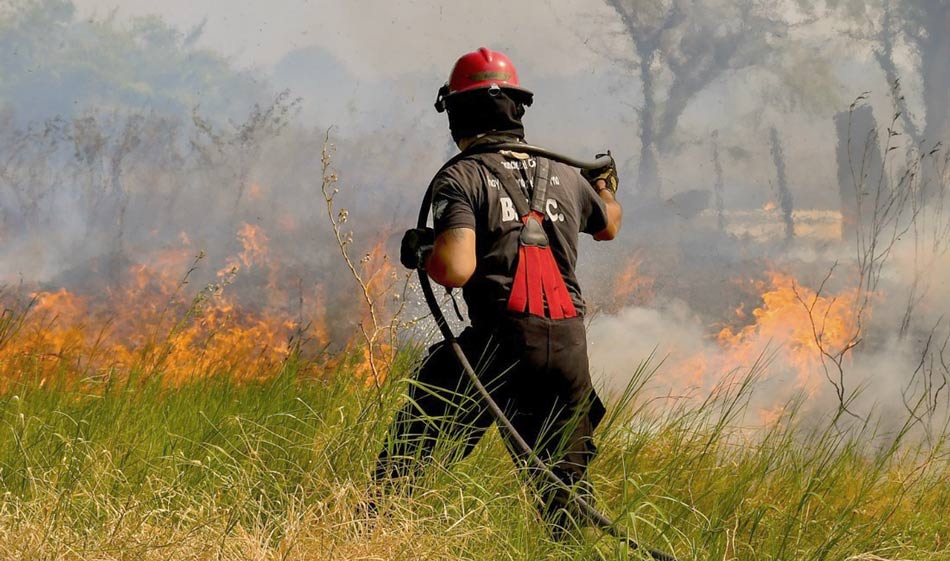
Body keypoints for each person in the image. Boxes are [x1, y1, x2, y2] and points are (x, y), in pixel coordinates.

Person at [372, 47, 623, 537]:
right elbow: (608, 225)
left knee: (405, 466)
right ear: (516, 108)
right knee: (564, 499)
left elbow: (456, 266)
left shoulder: (461, 176)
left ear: (457, 112)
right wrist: (607, 188)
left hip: (498, 350)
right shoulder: (566, 175)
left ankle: (362, 537)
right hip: (569, 352)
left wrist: (423, 250)